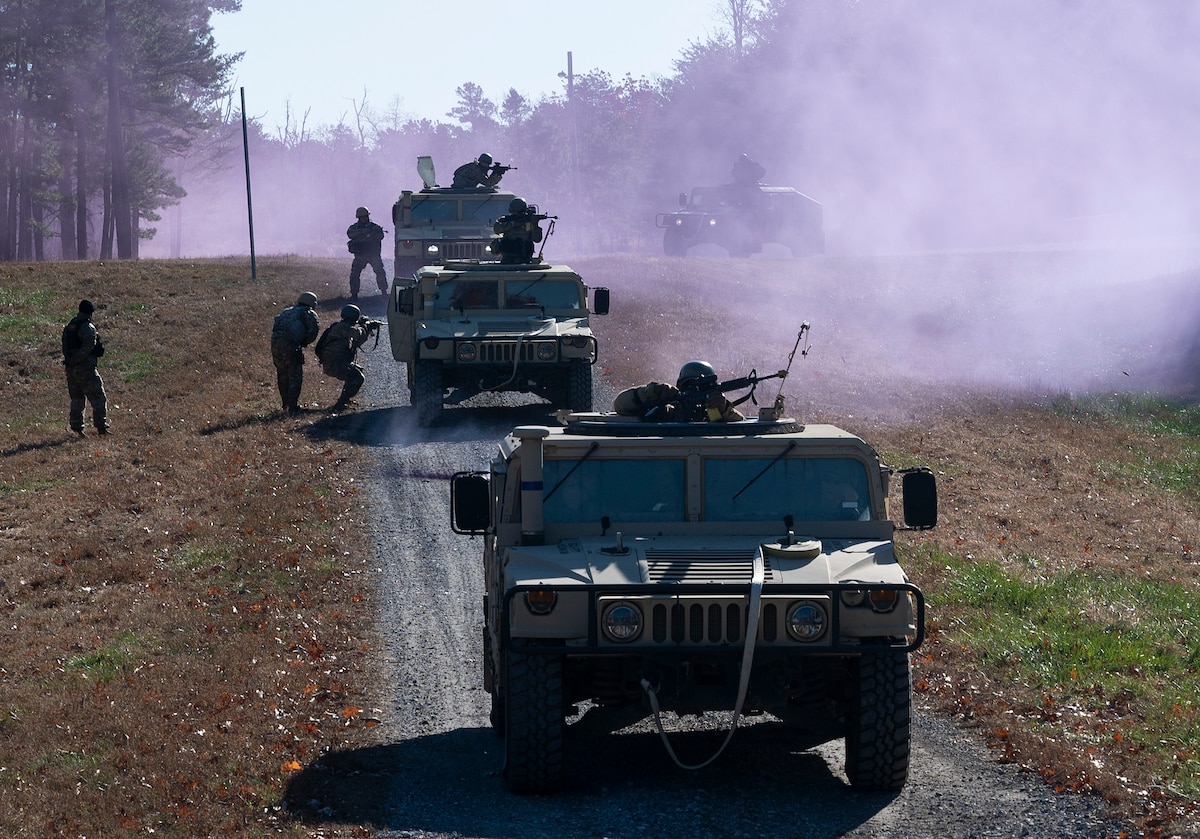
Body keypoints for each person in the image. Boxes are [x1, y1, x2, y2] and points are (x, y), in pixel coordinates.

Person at [613, 360, 745, 422]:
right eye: (690, 385)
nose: (696, 391)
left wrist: (724, 410)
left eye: (704, 387)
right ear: (681, 387)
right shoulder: (668, 412)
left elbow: (743, 428)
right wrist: (652, 392)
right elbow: (620, 405)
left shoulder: (718, 413)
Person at [62, 299, 109, 436]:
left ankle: (77, 428)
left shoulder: (70, 326)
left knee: (77, 399)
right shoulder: (88, 327)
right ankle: (101, 427)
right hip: (85, 368)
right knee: (98, 397)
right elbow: (88, 348)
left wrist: (70, 361)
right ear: (90, 312)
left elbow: (65, 347)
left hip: (71, 369)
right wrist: (77, 360)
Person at [316, 304, 375, 411]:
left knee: (356, 371)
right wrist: (365, 325)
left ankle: (344, 400)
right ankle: (340, 404)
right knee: (358, 377)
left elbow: (358, 341)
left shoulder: (344, 327)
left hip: (336, 361)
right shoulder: (342, 327)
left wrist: (367, 329)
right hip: (333, 363)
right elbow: (357, 334)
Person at [271, 291, 320, 414]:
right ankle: (293, 406)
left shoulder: (287, 311)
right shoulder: (308, 313)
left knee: (282, 373)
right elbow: (313, 331)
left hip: (275, 344)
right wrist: (304, 342)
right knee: (295, 375)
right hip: (290, 345)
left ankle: (285, 404)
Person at [346, 206, 388, 299]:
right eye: (363, 217)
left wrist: (372, 233)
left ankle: (384, 291)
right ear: (359, 218)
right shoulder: (354, 228)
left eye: (366, 216)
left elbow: (381, 236)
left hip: (373, 254)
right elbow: (350, 234)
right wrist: (363, 232)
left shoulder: (374, 227)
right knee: (354, 274)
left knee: (380, 272)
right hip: (360, 255)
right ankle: (354, 294)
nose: (365, 218)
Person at [491, 197, 543, 264]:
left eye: (521, 213)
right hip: (508, 257)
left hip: (525, 257)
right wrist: (514, 224)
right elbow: (497, 229)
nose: (518, 215)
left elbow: (537, 239)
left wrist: (535, 225)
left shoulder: (528, 224)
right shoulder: (506, 220)